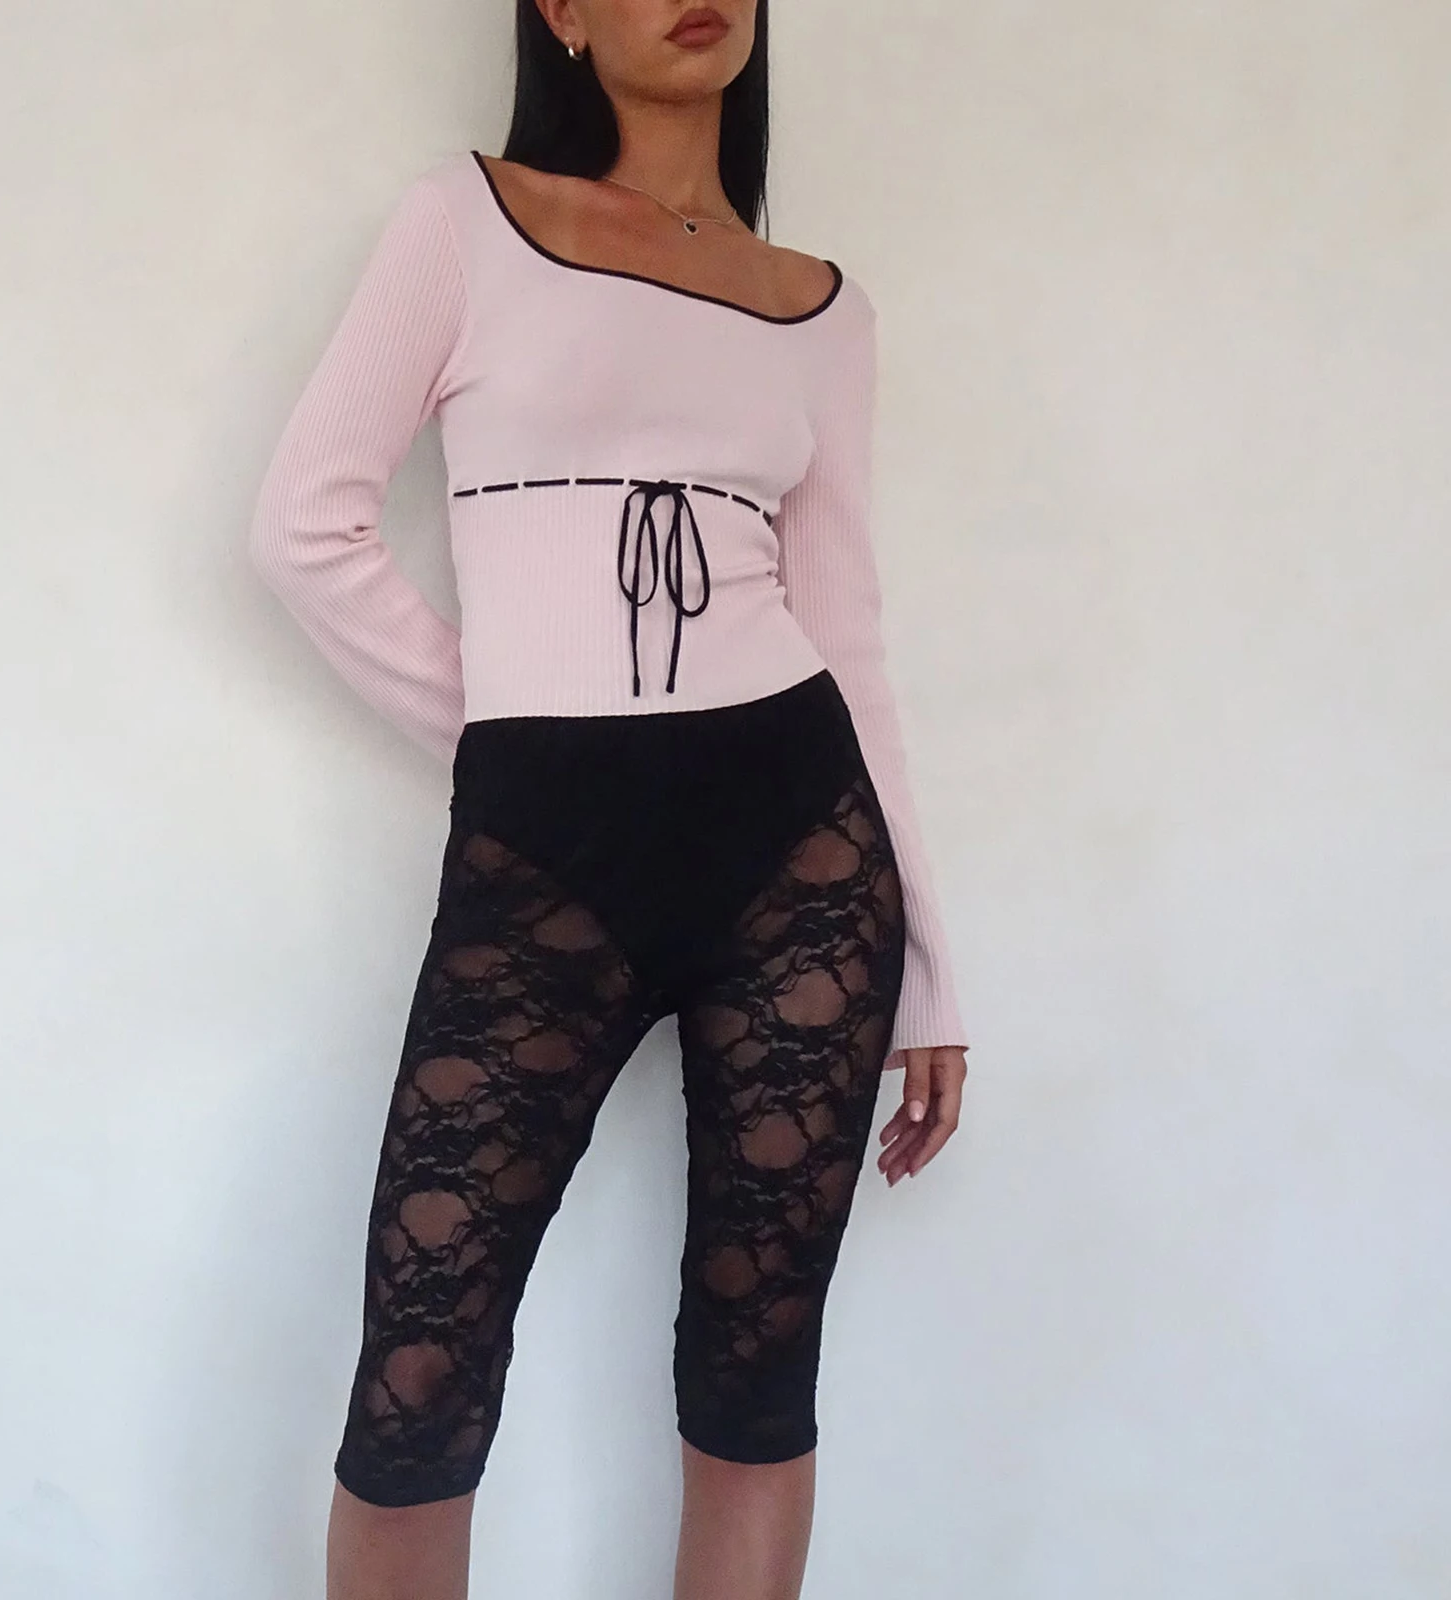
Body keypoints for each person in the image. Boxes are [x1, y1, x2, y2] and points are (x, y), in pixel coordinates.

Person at [249, 3, 970, 1595]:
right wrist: (511, 733)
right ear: (561, 13)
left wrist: (930, 958)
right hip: (549, 847)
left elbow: (847, 633)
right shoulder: (467, 222)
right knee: (418, 1382)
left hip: (800, 848)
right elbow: (302, 526)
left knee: (755, 1379)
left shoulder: (819, 308)